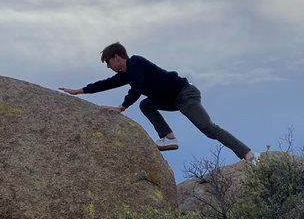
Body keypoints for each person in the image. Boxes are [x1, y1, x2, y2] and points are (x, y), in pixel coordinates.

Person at [59, 42, 255, 161]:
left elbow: (137, 87)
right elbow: (106, 83)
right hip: (173, 101)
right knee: (147, 104)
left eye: (109, 63)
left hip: (185, 94)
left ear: (116, 57)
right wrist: (80, 91)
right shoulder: (127, 73)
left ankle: (247, 154)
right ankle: (169, 138)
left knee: (208, 129)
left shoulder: (136, 63)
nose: (110, 68)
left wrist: (122, 107)